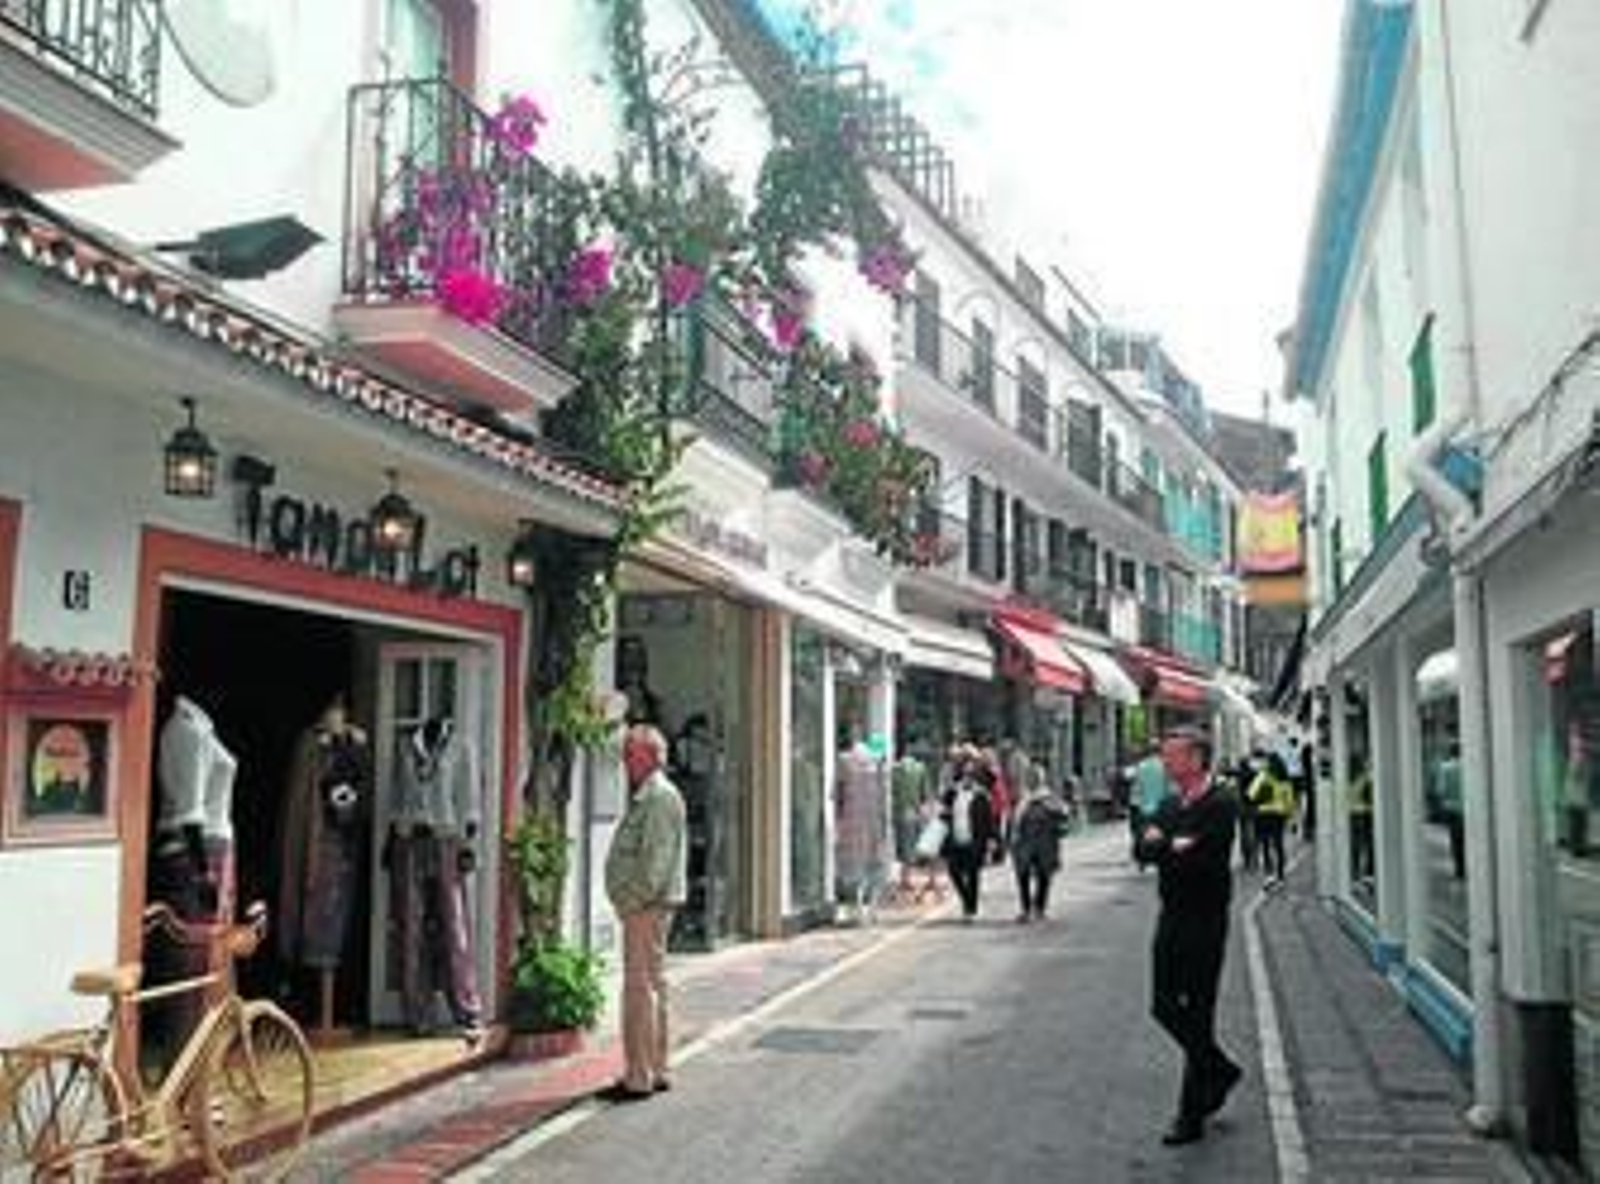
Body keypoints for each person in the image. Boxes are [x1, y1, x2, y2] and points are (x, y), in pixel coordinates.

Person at [1135, 727, 1242, 1147]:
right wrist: (1167, 847)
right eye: (1164, 755)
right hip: (1172, 915)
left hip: (1207, 918)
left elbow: (1202, 859)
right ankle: (1221, 1069)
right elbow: (1143, 852)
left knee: (1199, 1012)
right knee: (1162, 1005)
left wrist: (1167, 846)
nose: (1166, 763)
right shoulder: (1167, 803)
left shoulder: (1221, 802)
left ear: (1197, 758)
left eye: (1173, 755)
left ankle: (1190, 1114)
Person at [603, 724, 688, 1101]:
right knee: (653, 985)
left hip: (646, 907)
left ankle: (639, 1076)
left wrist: (629, 901)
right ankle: (655, 1069)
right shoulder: (654, 795)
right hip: (648, 905)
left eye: (631, 755)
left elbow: (654, 863)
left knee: (641, 989)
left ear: (650, 756)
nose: (626, 762)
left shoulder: (658, 797)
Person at [388, 714, 485, 1044]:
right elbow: (397, 796)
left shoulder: (461, 746)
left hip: (446, 839)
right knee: (410, 926)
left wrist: (468, 845)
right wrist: (392, 839)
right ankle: (417, 1013)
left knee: (453, 923)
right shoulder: (405, 746)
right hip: (409, 841)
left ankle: (467, 1008)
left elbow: (469, 799)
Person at [941, 752, 996, 920]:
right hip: (956, 838)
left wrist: (991, 840)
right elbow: (942, 812)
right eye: (965, 774)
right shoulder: (952, 793)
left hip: (975, 840)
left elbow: (989, 821)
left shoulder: (982, 796)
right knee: (954, 872)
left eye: (971, 775)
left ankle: (970, 909)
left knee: (973, 875)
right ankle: (966, 900)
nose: (968, 778)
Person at [1010, 763, 1068, 922]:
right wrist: (1013, 840)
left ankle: (1039, 908)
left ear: (1042, 780)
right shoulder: (1023, 799)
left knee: (1044, 876)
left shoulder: (1050, 798)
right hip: (1026, 843)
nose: (1034, 780)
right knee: (1023, 877)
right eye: (1032, 777)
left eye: (1037, 777)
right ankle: (1027, 909)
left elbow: (1064, 816)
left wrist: (1055, 810)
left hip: (1045, 844)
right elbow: (1015, 822)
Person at [1248, 753, 1296, 888]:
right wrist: (1291, 817)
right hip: (1279, 815)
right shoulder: (1285, 780)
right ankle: (1281, 876)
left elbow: (1251, 794)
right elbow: (1290, 801)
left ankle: (1269, 875)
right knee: (1278, 844)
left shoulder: (1263, 776)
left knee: (1265, 845)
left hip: (1263, 814)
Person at [1129, 744, 1173, 868]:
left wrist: (1134, 804)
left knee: (1141, 832)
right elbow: (1169, 787)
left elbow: (1136, 788)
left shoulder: (1141, 766)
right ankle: (1160, 856)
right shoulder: (1165, 766)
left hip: (1144, 806)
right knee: (1162, 832)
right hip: (1161, 806)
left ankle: (1142, 858)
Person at [1349, 756, 1375, 882]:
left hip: (1352, 814)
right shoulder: (1364, 779)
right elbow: (1369, 799)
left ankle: (1354, 871)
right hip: (1365, 814)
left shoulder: (1347, 778)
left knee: (1355, 846)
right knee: (1369, 843)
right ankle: (1369, 871)